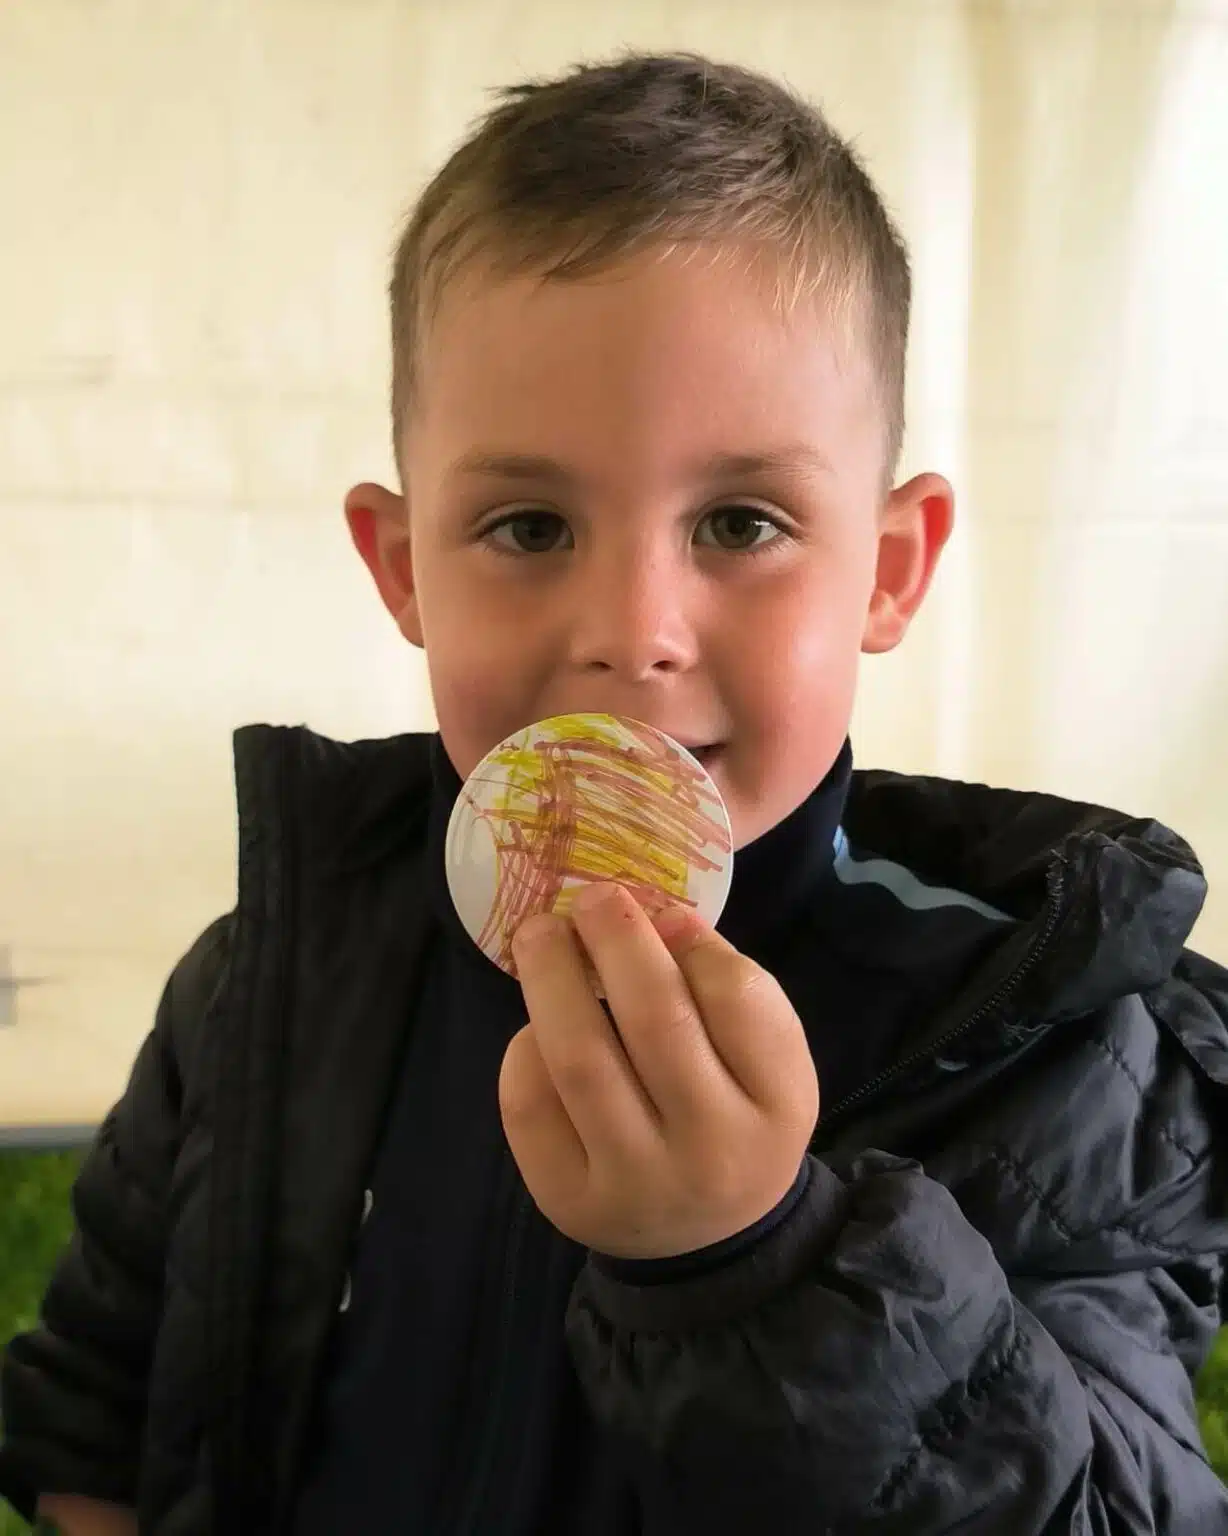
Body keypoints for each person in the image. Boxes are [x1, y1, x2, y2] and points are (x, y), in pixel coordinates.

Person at [2, 51, 1226, 1536]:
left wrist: (757, 1260)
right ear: (403, 569)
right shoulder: (272, 980)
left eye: (740, 523)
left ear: (888, 570)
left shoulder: (1053, 1053)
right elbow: (98, 1400)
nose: (632, 629)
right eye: (528, 526)